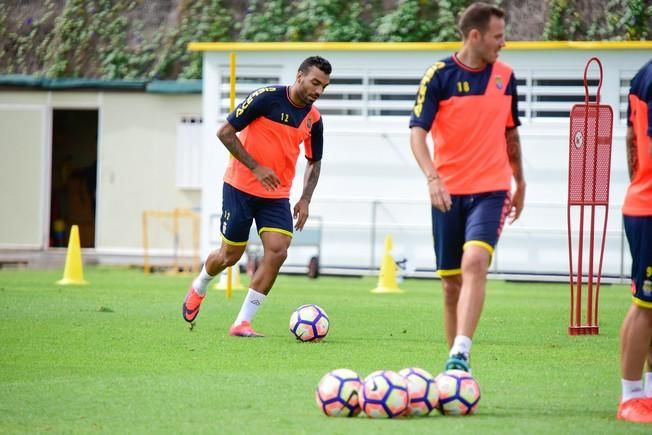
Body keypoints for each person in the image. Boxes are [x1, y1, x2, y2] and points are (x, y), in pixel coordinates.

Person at [408, 2, 525, 372]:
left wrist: (519, 180)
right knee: (450, 285)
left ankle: (461, 350)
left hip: (492, 190)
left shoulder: (506, 77)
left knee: (475, 261)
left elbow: (511, 133)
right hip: (447, 193)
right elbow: (417, 134)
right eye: (498, 36)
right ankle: (454, 370)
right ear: (475, 36)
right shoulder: (438, 75)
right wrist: (432, 178)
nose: (502, 44)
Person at [182, 56, 331, 337]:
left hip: (276, 196)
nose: (319, 91)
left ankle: (242, 322)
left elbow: (314, 160)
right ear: (299, 77)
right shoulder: (266, 98)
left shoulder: (314, 119)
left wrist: (305, 198)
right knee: (230, 255)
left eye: (324, 86)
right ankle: (200, 284)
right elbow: (225, 132)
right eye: (315, 82)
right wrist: (256, 167)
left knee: (278, 251)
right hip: (239, 187)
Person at [618, 58, 652, 423]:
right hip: (649, 208)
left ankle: (648, 392)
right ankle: (630, 397)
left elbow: (632, 138)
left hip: (643, 201)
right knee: (645, 304)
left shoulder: (643, 72)